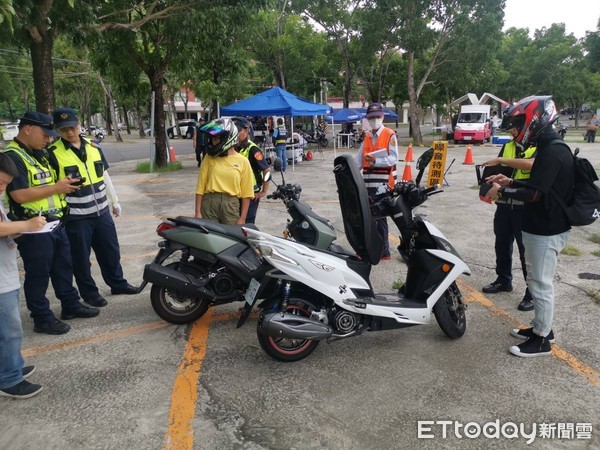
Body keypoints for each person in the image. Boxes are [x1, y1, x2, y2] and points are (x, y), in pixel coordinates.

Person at [485, 95, 573, 357]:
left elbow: (535, 194)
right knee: (536, 281)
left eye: (516, 124)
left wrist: (501, 192)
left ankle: (542, 340)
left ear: (535, 120)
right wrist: (510, 183)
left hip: (547, 228)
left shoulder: (554, 150)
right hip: (540, 224)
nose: (513, 130)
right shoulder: (548, 148)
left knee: (541, 284)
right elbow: (538, 187)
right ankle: (540, 327)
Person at [4, 112, 99, 335]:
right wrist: (57, 188)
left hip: (55, 222)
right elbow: (18, 195)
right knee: (38, 273)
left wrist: (62, 185)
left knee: (63, 266)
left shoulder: (40, 154)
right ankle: (42, 317)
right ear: (27, 128)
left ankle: (70, 305)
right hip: (32, 227)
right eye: (44, 134)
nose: (48, 139)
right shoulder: (13, 156)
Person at [47, 108, 137, 308]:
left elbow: (104, 175)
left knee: (110, 250)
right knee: (80, 258)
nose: (70, 133)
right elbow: (54, 187)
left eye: (72, 127)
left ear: (79, 125)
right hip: (77, 217)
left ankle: (117, 283)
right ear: (57, 131)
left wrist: (115, 201)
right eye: (64, 130)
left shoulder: (94, 146)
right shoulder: (53, 154)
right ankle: (89, 293)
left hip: (102, 212)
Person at [481, 109, 537, 311]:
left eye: (514, 127)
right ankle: (503, 279)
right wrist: (489, 182)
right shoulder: (508, 147)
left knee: (526, 252)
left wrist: (501, 161)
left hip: (525, 208)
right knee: (502, 244)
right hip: (504, 204)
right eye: (510, 127)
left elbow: (533, 167)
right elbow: (500, 171)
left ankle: (532, 292)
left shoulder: (537, 146)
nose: (512, 131)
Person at [0, 153, 46, 399]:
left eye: (6, 184)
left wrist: (18, 230)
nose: (3, 189)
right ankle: (9, 379)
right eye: (0, 183)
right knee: (10, 329)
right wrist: (25, 226)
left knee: (8, 329)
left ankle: (11, 366)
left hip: (5, 274)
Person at [355, 102, 398, 260]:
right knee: (366, 216)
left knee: (379, 216)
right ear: (367, 119)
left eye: (377, 117)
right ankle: (369, 247)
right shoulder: (367, 137)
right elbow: (358, 161)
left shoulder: (389, 134)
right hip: (366, 183)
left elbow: (394, 158)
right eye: (371, 118)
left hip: (382, 183)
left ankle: (384, 251)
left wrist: (376, 161)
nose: (374, 120)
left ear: (382, 116)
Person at [194, 118, 254, 225]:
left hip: (231, 205)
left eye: (217, 138)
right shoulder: (208, 158)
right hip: (209, 204)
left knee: (230, 240)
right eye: (213, 139)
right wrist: (198, 212)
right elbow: (201, 186)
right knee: (209, 239)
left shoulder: (243, 161)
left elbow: (247, 193)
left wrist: (242, 218)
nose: (214, 141)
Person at [232, 117, 271, 224]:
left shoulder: (253, 149)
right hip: (236, 193)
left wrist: (263, 191)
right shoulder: (232, 148)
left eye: (239, 131)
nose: (236, 134)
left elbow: (266, 169)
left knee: (247, 225)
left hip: (251, 194)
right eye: (234, 131)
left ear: (246, 130)